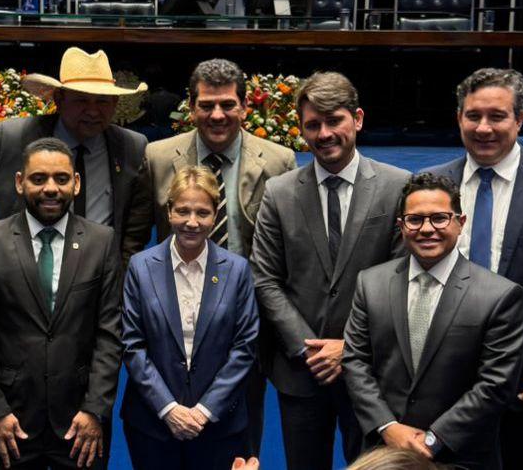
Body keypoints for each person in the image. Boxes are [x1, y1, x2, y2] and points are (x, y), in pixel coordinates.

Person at [124, 58, 295, 455]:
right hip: (169, 323)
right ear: (191, 105)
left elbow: (285, 250)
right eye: (206, 105)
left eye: (227, 104)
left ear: (244, 107)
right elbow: (134, 238)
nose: (217, 115)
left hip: (242, 326)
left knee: (237, 437)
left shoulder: (278, 160)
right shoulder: (158, 156)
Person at [425, 68, 523, 470]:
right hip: (445, 384)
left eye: (497, 116)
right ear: (458, 117)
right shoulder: (430, 185)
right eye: (472, 116)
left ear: (520, 119)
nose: (483, 128)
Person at [250, 71, 410, 469]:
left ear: (356, 119)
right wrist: (311, 348)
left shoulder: (398, 187)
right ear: (301, 130)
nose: (324, 134)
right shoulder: (279, 192)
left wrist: (350, 348)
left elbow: (401, 277)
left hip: (372, 370)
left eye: (334, 120)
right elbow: (265, 278)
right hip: (302, 371)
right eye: (313, 125)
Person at [342, 173, 523, 469]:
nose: (427, 229)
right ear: (401, 226)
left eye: (439, 218)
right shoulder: (370, 283)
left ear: (460, 222)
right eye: (415, 220)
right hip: (383, 451)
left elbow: (495, 385)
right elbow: (355, 361)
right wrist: (387, 426)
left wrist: (432, 440)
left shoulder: (500, 295)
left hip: (461, 456)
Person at [0, 137, 122, 469]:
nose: (51, 188)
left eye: (61, 179)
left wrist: (94, 410)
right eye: (39, 178)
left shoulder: (101, 241)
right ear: (20, 183)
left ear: (76, 183)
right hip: (10, 423)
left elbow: (110, 333)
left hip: (81, 424)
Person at [0, 46, 148, 257]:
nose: (93, 111)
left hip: (97, 278)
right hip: (21, 272)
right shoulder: (16, 138)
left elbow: (135, 231)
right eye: (81, 99)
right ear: (59, 100)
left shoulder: (131, 146)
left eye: (103, 101)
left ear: (115, 103)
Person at [121, 166, 259, 470]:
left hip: (218, 425)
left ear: (215, 214)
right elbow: (132, 345)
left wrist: (204, 411)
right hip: (153, 425)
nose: (192, 222)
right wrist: (169, 408)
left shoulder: (236, 270)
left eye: (202, 212)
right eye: (183, 211)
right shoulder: (140, 267)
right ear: (169, 211)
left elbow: (244, 347)